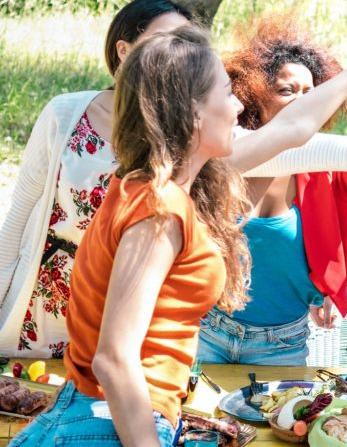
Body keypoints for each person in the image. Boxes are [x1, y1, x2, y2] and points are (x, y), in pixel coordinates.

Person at [0, 0, 347, 357]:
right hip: (43, 311)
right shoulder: (65, 113)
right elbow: (16, 224)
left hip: (133, 312)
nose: (183, 55)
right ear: (127, 52)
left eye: (188, 44)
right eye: (168, 43)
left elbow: (294, 139)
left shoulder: (190, 137)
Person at [11, 26, 250, 446]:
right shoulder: (159, 206)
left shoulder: (145, 190)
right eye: (228, 92)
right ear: (193, 111)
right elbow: (114, 359)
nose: (239, 105)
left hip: (103, 416)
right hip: (110, 423)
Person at [197, 15, 347, 366]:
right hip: (208, 331)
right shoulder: (229, 152)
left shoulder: (324, 164)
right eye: (287, 91)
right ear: (254, 94)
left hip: (281, 343)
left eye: (312, 94)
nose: (303, 104)